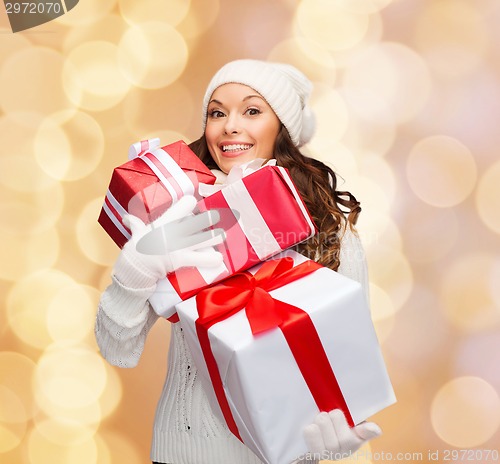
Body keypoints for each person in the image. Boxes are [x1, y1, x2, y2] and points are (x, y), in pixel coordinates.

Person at [95, 59, 382, 464]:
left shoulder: (329, 232)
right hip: (185, 454)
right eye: (217, 112)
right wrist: (137, 267)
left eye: (251, 110)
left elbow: (349, 365)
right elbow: (116, 349)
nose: (230, 125)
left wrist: (337, 439)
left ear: (281, 127)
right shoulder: (181, 216)